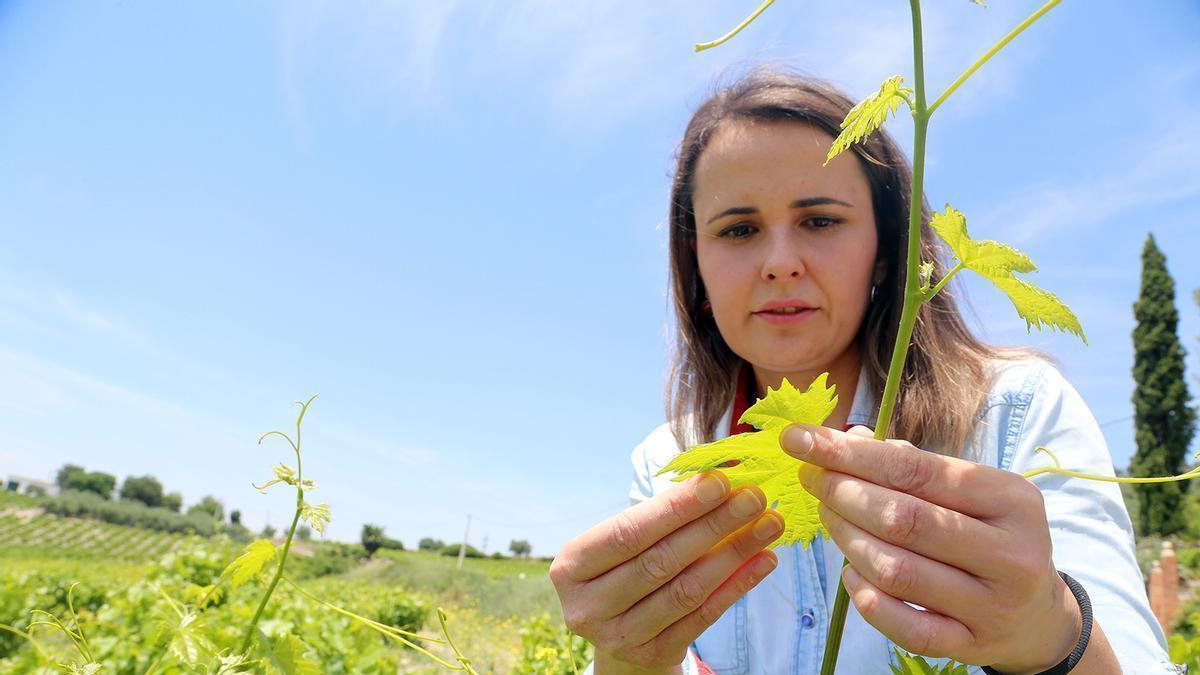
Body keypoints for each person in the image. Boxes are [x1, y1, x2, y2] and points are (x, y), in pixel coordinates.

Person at [548, 69, 1177, 674]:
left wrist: (1049, 638)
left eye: (819, 220)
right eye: (739, 229)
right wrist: (626, 666)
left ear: (885, 253)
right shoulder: (667, 462)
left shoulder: (1013, 413)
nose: (780, 262)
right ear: (697, 269)